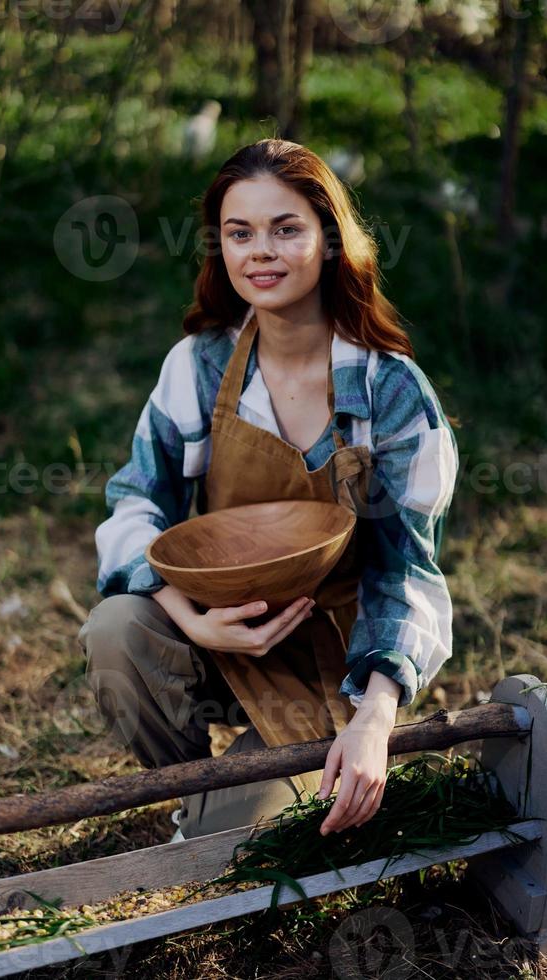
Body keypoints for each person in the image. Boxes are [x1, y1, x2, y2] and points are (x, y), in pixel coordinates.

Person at [78, 138, 460, 843]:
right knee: (115, 629)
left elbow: (407, 572)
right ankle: (187, 790)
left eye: (286, 229)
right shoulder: (200, 365)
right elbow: (136, 501)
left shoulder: (390, 392)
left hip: (337, 662)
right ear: (219, 247)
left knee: (236, 842)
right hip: (223, 636)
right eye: (239, 232)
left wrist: (377, 716)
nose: (261, 252)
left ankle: (230, 808)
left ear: (330, 241)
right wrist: (187, 616)